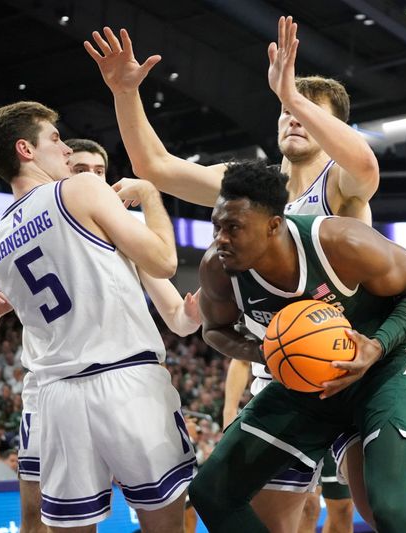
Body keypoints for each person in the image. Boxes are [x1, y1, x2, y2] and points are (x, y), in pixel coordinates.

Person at [85, 19, 385, 533]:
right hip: (288, 378)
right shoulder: (253, 188)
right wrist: (124, 93)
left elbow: (364, 163)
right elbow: (155, 165)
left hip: (355, 369)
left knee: (385, 515)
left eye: (309, 112)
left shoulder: (342, 185)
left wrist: (291, 89)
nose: (293, 117)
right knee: (271, 522)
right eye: (286, 111)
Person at [0, 136, 201, 533]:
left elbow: (178, 317)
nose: (91, 178)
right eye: (81, 171)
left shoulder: (107, 235)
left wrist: (192, 314)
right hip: (53, 387)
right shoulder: (45, 220)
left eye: (99, 172)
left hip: (85, 387)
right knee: (35, 516)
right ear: (64, 173)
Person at [189, 160, 406, 532]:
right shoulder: (218, 268)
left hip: (378, 371)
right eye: (217, 226)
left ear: (274, 225)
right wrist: (263, 353)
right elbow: (215, 329)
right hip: (303, 384)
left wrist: (378, 345)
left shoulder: (339, 242)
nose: (220, 239)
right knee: (211, 491)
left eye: (234, 228)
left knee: (387, 510)